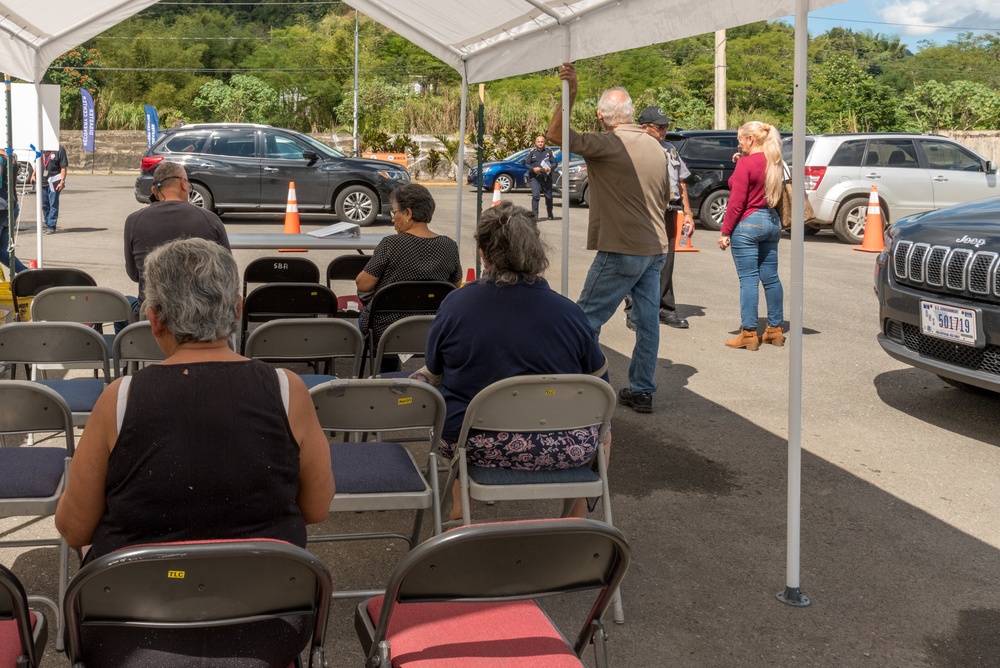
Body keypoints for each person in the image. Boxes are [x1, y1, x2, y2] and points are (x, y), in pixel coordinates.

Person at [55, 237, 335, 561]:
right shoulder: (288, 390)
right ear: (237, 309)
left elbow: (74, 527)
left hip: (136, 602)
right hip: (267, 598)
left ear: (155, 319)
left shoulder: (119, 399)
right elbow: (317, 508)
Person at [417, 201, 610, 520]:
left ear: (482, 251)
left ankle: (460, 505)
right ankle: (576, 517)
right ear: (536, 249)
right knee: (606, 427)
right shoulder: (569, 313)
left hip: (474, 444)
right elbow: (599, 388)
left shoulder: (456, 306)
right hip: (563, 445)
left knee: (444, 402)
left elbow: (434, 371)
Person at [545, 62, 670, 414]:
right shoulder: (655, 146)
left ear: (602, 115)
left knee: (583, 320)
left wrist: (569, 93)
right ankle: (642, 389)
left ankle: (586, 386)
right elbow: (664, 198)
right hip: (655, 246)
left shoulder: (609, 143)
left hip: (621, 247)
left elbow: (556, 134)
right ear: (630, 113)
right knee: (647, 322)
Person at [355, 183, 462, 369]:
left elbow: (363, 284)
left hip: (386, 329)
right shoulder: (449, 246)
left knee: (369, 318)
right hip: (432, 326)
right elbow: (455, 285)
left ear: (408, 213)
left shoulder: (391, 244)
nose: (392, 219)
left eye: (394, 212)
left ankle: (386, 375)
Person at [124, 161, 230, 321]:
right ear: (183, 183)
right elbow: (226, 273)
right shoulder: (210, 220)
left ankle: (126, 345)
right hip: (200, 319)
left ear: (154, 190)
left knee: (125, 305)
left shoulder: (134, 221)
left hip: (152, 318)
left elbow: (134, 275)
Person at [717, 121, 785, 350]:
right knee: (771, 278)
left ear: (751, 140)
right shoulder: (774, 161)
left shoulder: (746, 164)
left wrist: (725, 232)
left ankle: (748, 334)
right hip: (771, 221)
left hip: (748, 223)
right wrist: (740, 160)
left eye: (740, 140)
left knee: (748, 280)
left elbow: (736, 203)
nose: (738, 143)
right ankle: (775, 330)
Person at [625, 105, 694, 330]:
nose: (665, 130)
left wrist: (689, 214)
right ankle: (635, 311)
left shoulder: (670, 148)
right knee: (639, 261)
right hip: (645, 211)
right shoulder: (633, 148)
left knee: (666, 262)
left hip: (670, 211)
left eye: (667, 126)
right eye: (660, 126)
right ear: (645, 128)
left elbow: (681, 182)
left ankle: (665, 309)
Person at [0, 149, 28, 274]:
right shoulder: (9, 156)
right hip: (10, 206)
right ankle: (26, 274)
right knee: (1, 252)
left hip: (2, 208)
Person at [29, 144, 67, 234]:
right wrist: (33, 174)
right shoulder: (41, 149)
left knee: (53, 204)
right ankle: (47, 223)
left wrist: (62, 182)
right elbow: (38, 163)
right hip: (42, 182)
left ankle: (51, 225)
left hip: (54, 182)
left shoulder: (59, 149)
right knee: (44, 205)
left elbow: (63, 168)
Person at [525, 135, 557, 220]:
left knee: (549, 197)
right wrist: (533, 169)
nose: (540, 143)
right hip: (535, 177)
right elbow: (526, 164)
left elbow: (555, 163)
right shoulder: (532, 152)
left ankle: (550, 213)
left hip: (546, 177)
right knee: (535, 196)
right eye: (538, 142)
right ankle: (535, 216)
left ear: (544, 143)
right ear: (535, 143)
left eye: (542, 142)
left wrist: (549, 168)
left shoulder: (549, 152)